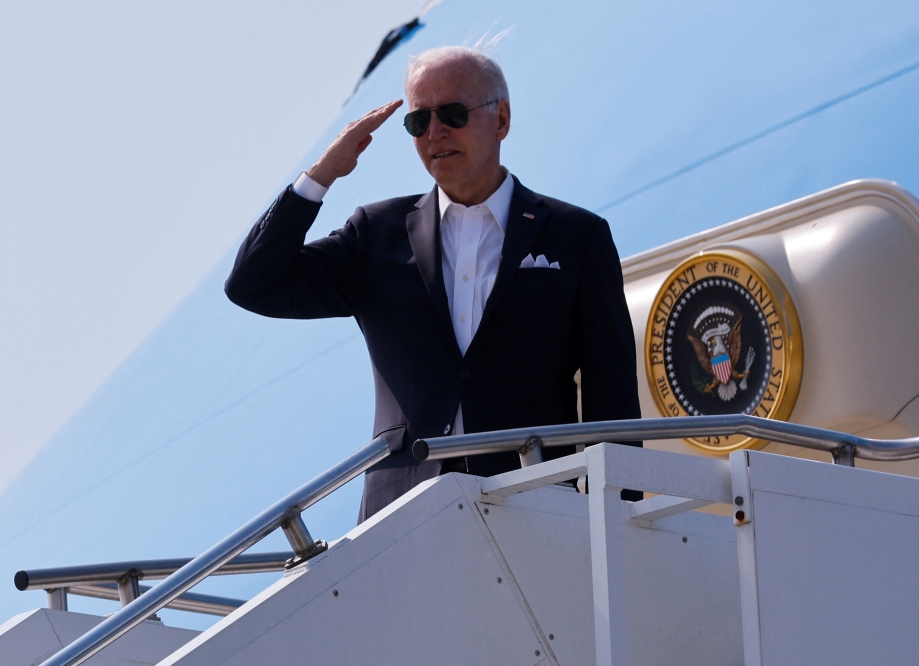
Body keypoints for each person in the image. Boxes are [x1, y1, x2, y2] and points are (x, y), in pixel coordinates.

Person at [225, 46, 641, 521]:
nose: (435, 133)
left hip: (536, 508)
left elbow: (614, 404)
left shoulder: (576, 236)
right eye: (418, 121)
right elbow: (254, 283)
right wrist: (322, 175)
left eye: (453, 113)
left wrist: (621, 527)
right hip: (403, 517)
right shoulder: (375, 234)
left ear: (501, 119)